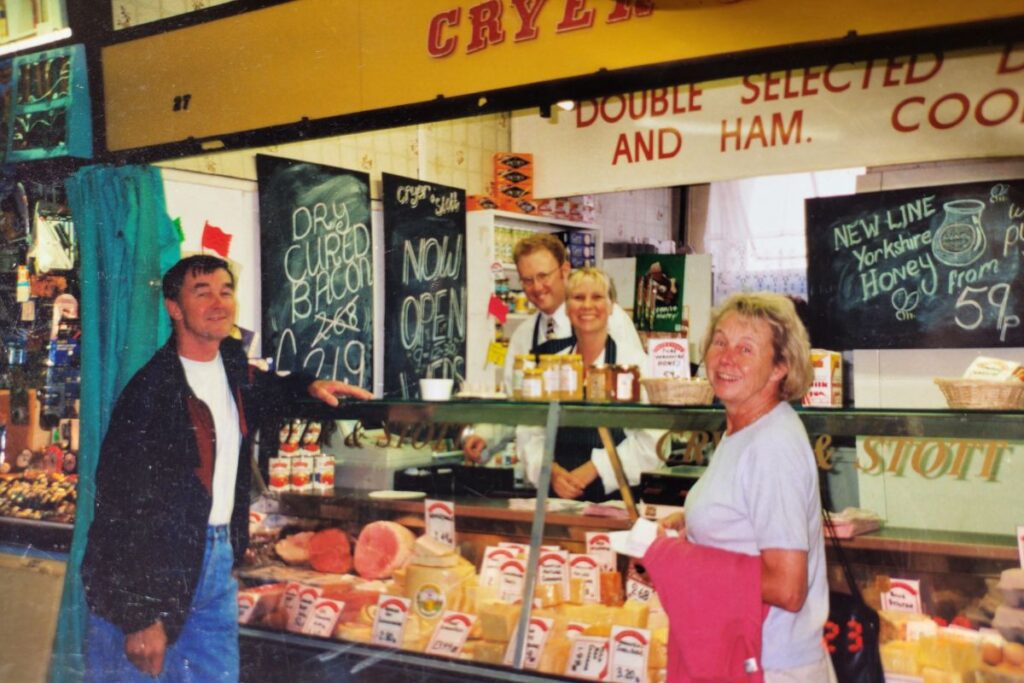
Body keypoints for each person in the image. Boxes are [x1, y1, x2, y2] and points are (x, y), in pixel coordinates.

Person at [80, 255, 372, 681]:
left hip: (216, 562)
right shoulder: (151, 391)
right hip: (156, 567)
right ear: (174, 308)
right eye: (203, 293)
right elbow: (121, 511)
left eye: (226, 290)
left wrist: (307, 386)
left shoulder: (235, 371)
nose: (219, 302)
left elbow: (269, 389)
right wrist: (138, 615)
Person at [654, 292, 834, 681]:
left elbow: (787, 587)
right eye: (720, 342)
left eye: (746, 348)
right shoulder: (743, 429)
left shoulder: (772, 445)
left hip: (771, 665)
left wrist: (677, 561)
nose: (726, 358)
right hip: (740, 654)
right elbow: (746, 529)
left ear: (779, 368)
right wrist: (692, 530)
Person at [463, 233, 643, 461]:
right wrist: (486, 435)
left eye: (543, 276)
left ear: (564, 270)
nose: (536, 287)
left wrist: (601, 468)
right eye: (527, 280)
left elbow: (641, 407)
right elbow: (517, 406)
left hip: (610, 469)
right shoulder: (524, 336)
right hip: (550, 471)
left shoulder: (610, 319)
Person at [515, 267, 660, 501]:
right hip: (557, 502)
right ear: (568, 307)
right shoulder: (552, 363)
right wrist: (549, 471)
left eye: (597, 297)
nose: (587, 306)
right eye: (578, 297)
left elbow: (653, 444)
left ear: (612, 306)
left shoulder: (635, 364)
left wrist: (596, 468)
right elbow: (529, 433)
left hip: (617, 504)